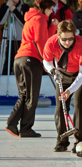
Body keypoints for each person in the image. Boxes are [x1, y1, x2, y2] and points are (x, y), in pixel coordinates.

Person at [4, 0, 58, 138]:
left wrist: (52, 26)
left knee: (24, 95)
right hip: (31, 60)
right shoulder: (39, 19)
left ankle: (13, 124)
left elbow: (44, 38)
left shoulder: (32, 18)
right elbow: (41, 42)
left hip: (20, 59)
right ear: (44, 7)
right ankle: (25, 128)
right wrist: (46, 62)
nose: (51, 11)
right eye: (50, 8)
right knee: (31, 96)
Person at [43, 20, 82, 153]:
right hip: (62, 73)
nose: (67, 42)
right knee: (60, 105)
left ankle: (80, 140)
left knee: (79, 103)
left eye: (71, 38)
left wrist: (69, 90)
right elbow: (47, 62)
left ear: (74, 35)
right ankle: (62, 140)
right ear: (58, 36)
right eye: (64, 39)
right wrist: (53, 71)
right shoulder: (51, 43)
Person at [0, 0, 29, 75]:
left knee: (21, 61)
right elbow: (1, 21)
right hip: (8, 39)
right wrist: (7, 7)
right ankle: (5, 77)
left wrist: (15, 10)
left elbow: (26, 23)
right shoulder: (5, 5)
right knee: (7, 62)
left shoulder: (25, 7)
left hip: (22, 40)